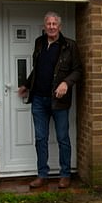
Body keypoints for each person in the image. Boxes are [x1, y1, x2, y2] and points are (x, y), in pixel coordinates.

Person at [18, 11, 82, 189]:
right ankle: (42, 175)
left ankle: (65, 174)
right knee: (40, 139)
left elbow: (78, 71)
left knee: (63, 138)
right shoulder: (39, 43)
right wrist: (26, 85)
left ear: (59, 27)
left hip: (59, 101)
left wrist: (66, 83)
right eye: (49, 24)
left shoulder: (70, 46)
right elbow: (37, 70)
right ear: (44, 27)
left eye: (55, 24)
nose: (52, 27)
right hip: (39, 100)